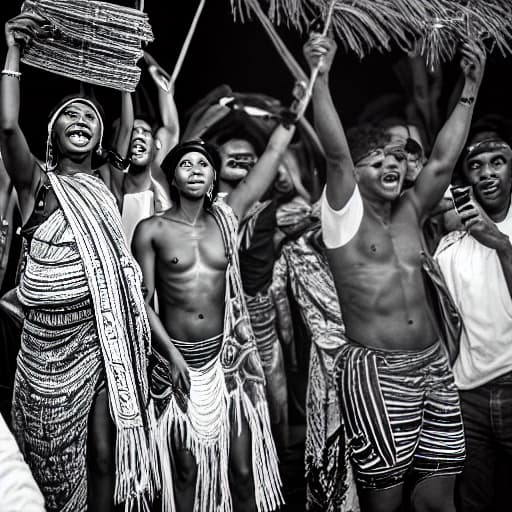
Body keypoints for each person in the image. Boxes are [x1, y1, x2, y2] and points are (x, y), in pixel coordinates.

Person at [304, 32, 485, 512]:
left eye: (397, 159)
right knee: (383, 505)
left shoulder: (411, 210)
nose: (392, 164)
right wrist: (320, 77)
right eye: (377, 159)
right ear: (354, 175)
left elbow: (444, 158)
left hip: (434, 367)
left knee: (439, 500)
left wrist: (471, 84)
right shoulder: (343, 216)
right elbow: (337, 153)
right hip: (378, 374)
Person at [1, 14, 157, 512]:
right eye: (71, 115)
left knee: (104, 453)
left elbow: (126, 125)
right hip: (43, 347)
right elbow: (7, 125)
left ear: (101, 136)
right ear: (52, 133)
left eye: (91, 116)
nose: (83, 121)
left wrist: (125, 71)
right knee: (41, 457)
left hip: (99, 340)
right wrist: (13, 54)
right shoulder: (37, 185)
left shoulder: (106, 186)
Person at [132, 112, 299, 511]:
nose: (195, 169)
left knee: (243, 473)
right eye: (185, 164)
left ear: (213, 179)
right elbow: (141, 299)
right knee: (185, 473)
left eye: (203, 164)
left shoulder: (227, 217)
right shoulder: (151, 230)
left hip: (230, 361)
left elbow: (273, 153)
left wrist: (296, 109)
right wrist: (171, 356)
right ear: (172, 177)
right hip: (177, 364)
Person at [435, 123, 512, 511]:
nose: (487, 173)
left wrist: (499, 243)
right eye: (476, 165)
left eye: (497, 162)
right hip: (468, 399)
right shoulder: (448, 248)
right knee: (474, 502)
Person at [272, 204, 360, 512]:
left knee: (327, 440)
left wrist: (290, 351)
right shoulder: (364, 240)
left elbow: (279, 305)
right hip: (366, 355)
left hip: (326, 358)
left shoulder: (293, 249)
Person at [120, 53, 176, 246]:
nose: (139, 135)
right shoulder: (113, 177)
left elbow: (170, 128)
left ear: (156, 144)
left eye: (145, 131)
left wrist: (147, 59)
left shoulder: (156, 169)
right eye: (134, 131)